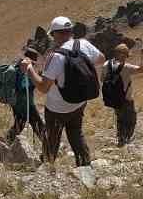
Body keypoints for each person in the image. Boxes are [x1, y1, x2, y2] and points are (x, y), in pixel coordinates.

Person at [21, 16, 104, 167]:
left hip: (57, 108)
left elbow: (43, 87)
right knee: (76, 133)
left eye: (52, 35)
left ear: (57, 34)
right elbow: (101, 59)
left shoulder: (56, 56)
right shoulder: (83, 44)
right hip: (79, 102)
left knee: (52, 137)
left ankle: (47, 164)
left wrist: (29, 69)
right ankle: (84, 164)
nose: (52, 38)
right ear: (70, 31)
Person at [103, 41, 143, 146]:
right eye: (126, 55)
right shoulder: (125, 67)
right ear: (122, 55)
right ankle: (126, 140)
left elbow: (102, 79)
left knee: (120, 119)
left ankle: (121, 138)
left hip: (112, 98)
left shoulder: (106, 64)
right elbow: (142, 69)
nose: (126, 57)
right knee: (131, 119)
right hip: (126, 99)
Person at [7, 44, 46, 147]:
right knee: (38, 124)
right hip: (25, 103)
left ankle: (8, 141)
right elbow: (24, 86)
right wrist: (36, 80)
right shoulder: (25, 69)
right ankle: (49, 147)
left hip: (16, 102)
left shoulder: (17, 66)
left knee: (19, 123)